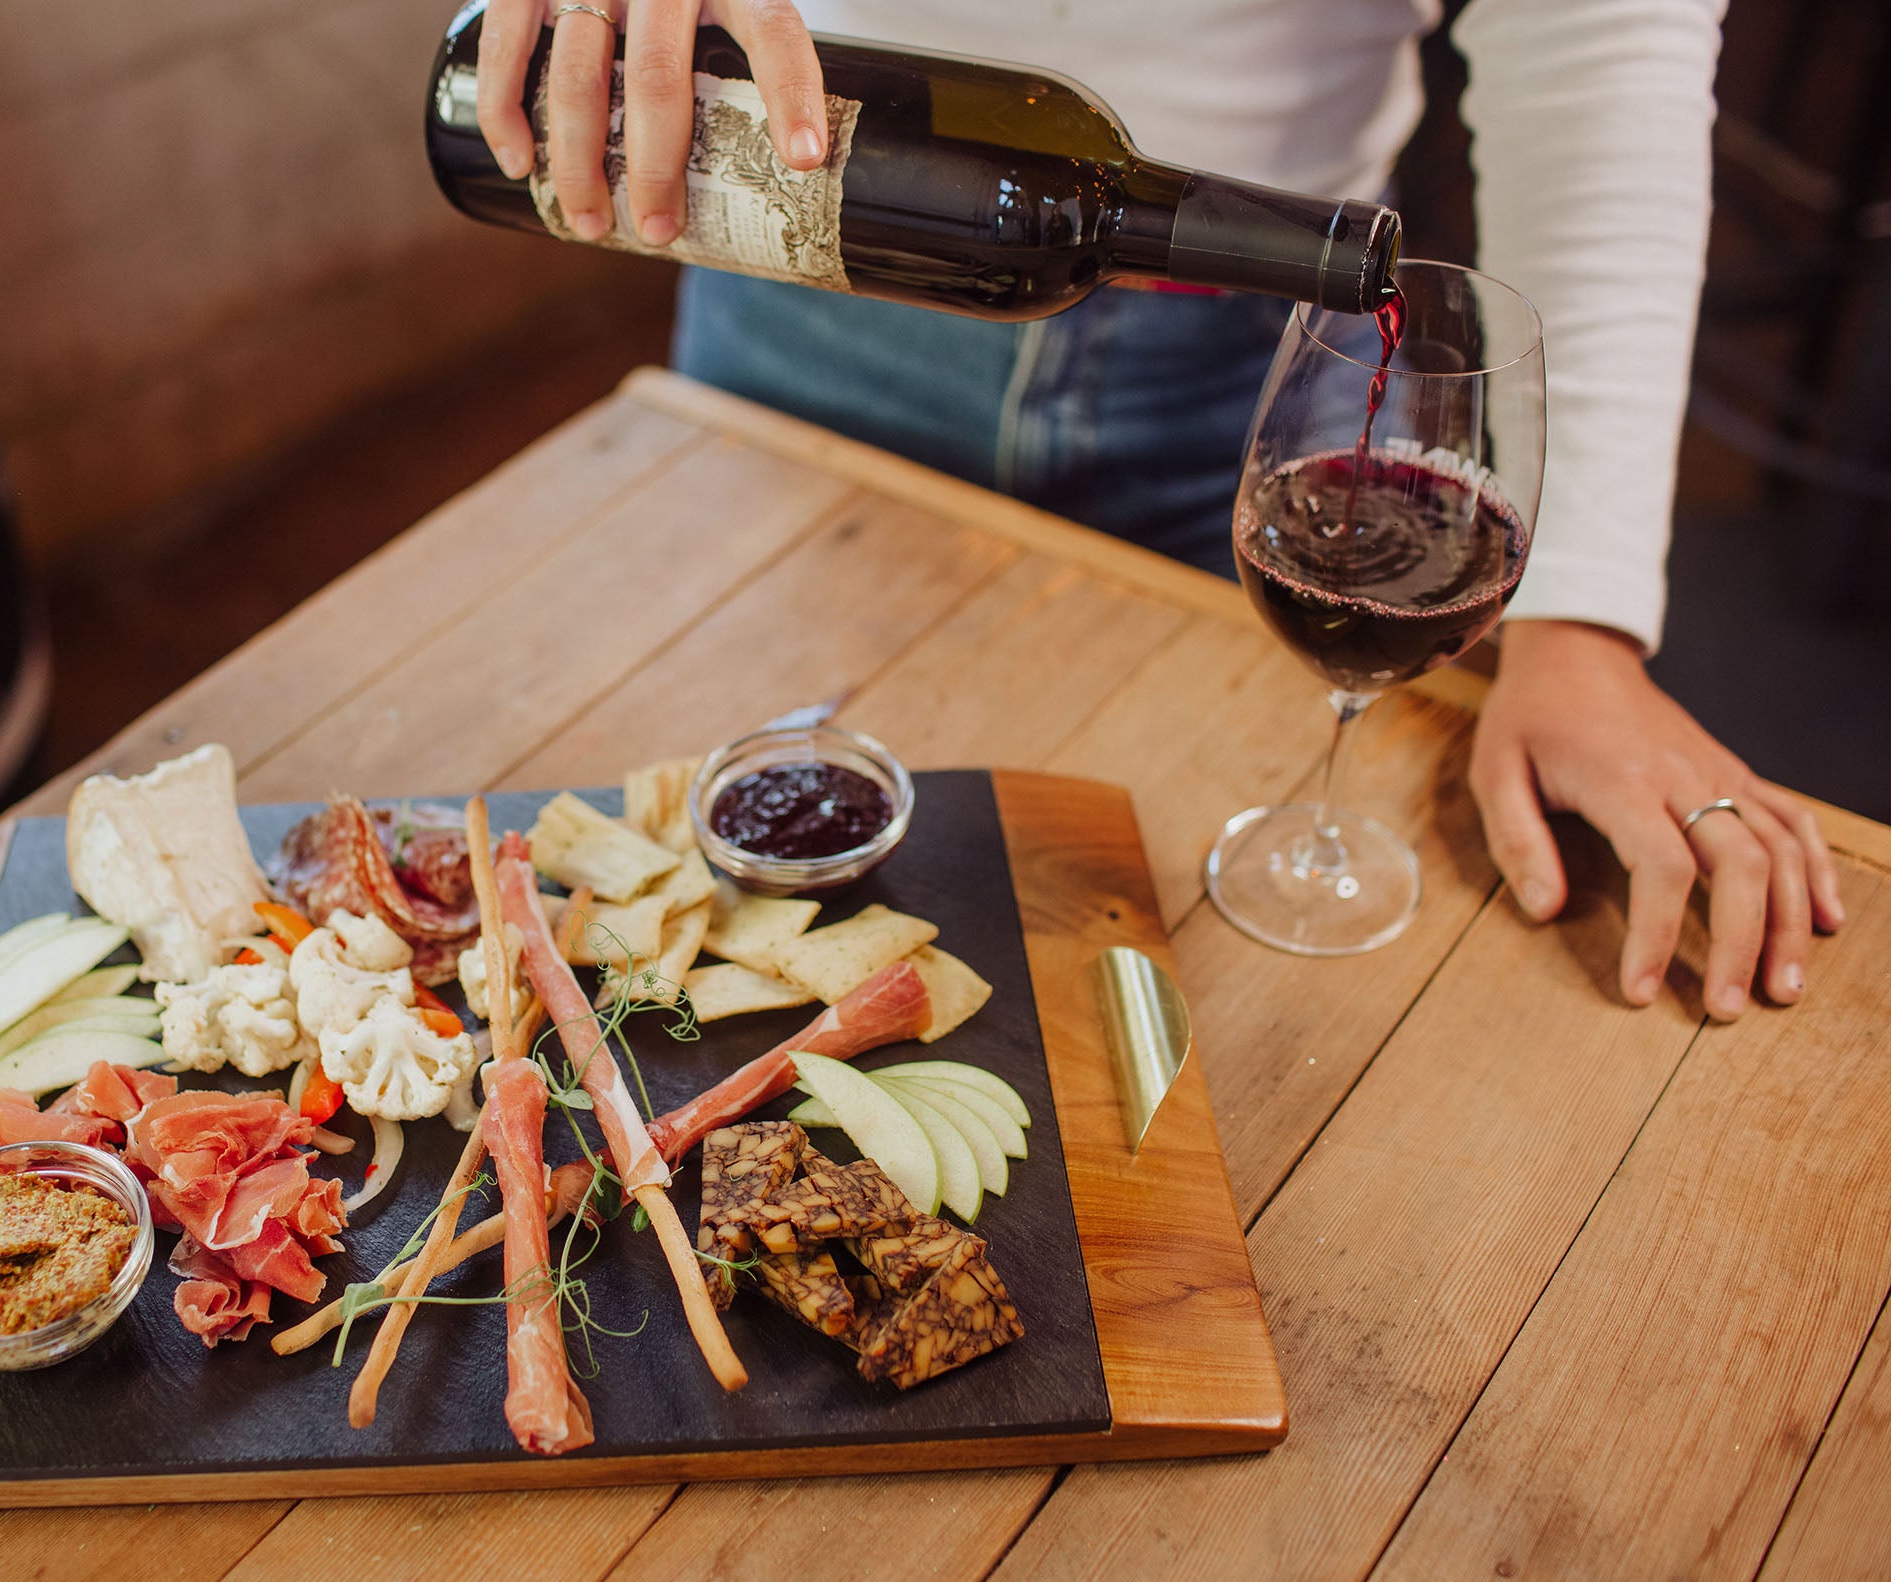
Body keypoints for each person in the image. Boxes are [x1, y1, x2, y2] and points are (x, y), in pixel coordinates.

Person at [469, 0, 1845, 1019]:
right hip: (795, 251)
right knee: (682, 909)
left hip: (1247, 372)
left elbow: (1605, 38)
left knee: (1163, 987)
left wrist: (1581, 622)